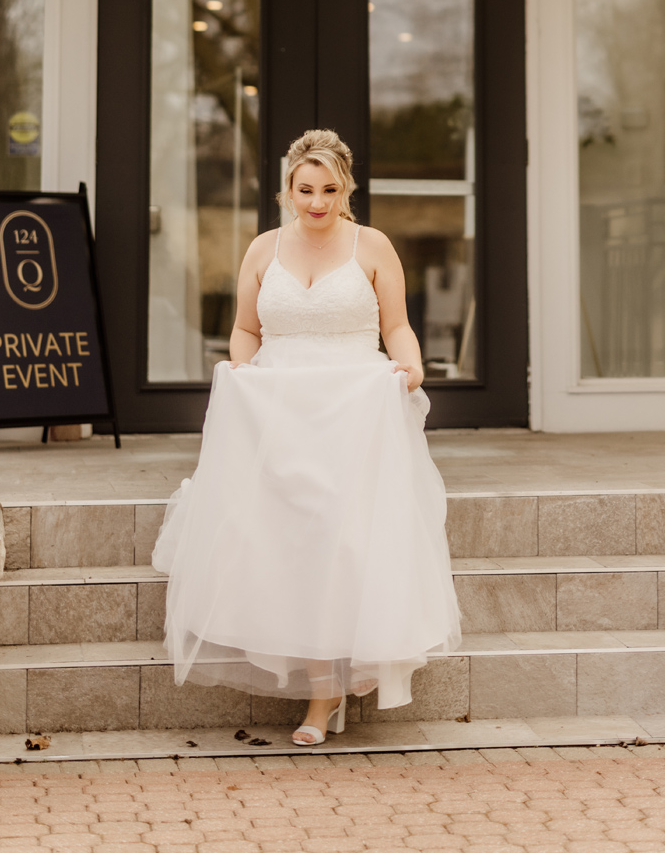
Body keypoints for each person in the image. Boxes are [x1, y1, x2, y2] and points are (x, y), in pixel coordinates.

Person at [152, 129, 460, 745]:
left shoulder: (372, 246)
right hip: (281, 416)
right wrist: (241, 372)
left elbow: (395, 325)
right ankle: (320, 689)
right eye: (304, 189)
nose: (316, 202)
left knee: (343, 541)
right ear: (287, 189)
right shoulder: (263, 249)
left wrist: (412, 363)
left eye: (328, 189)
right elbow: (244, 330)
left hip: (353, 412)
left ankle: (343, 678)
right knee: (292, 546)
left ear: (345, 188)